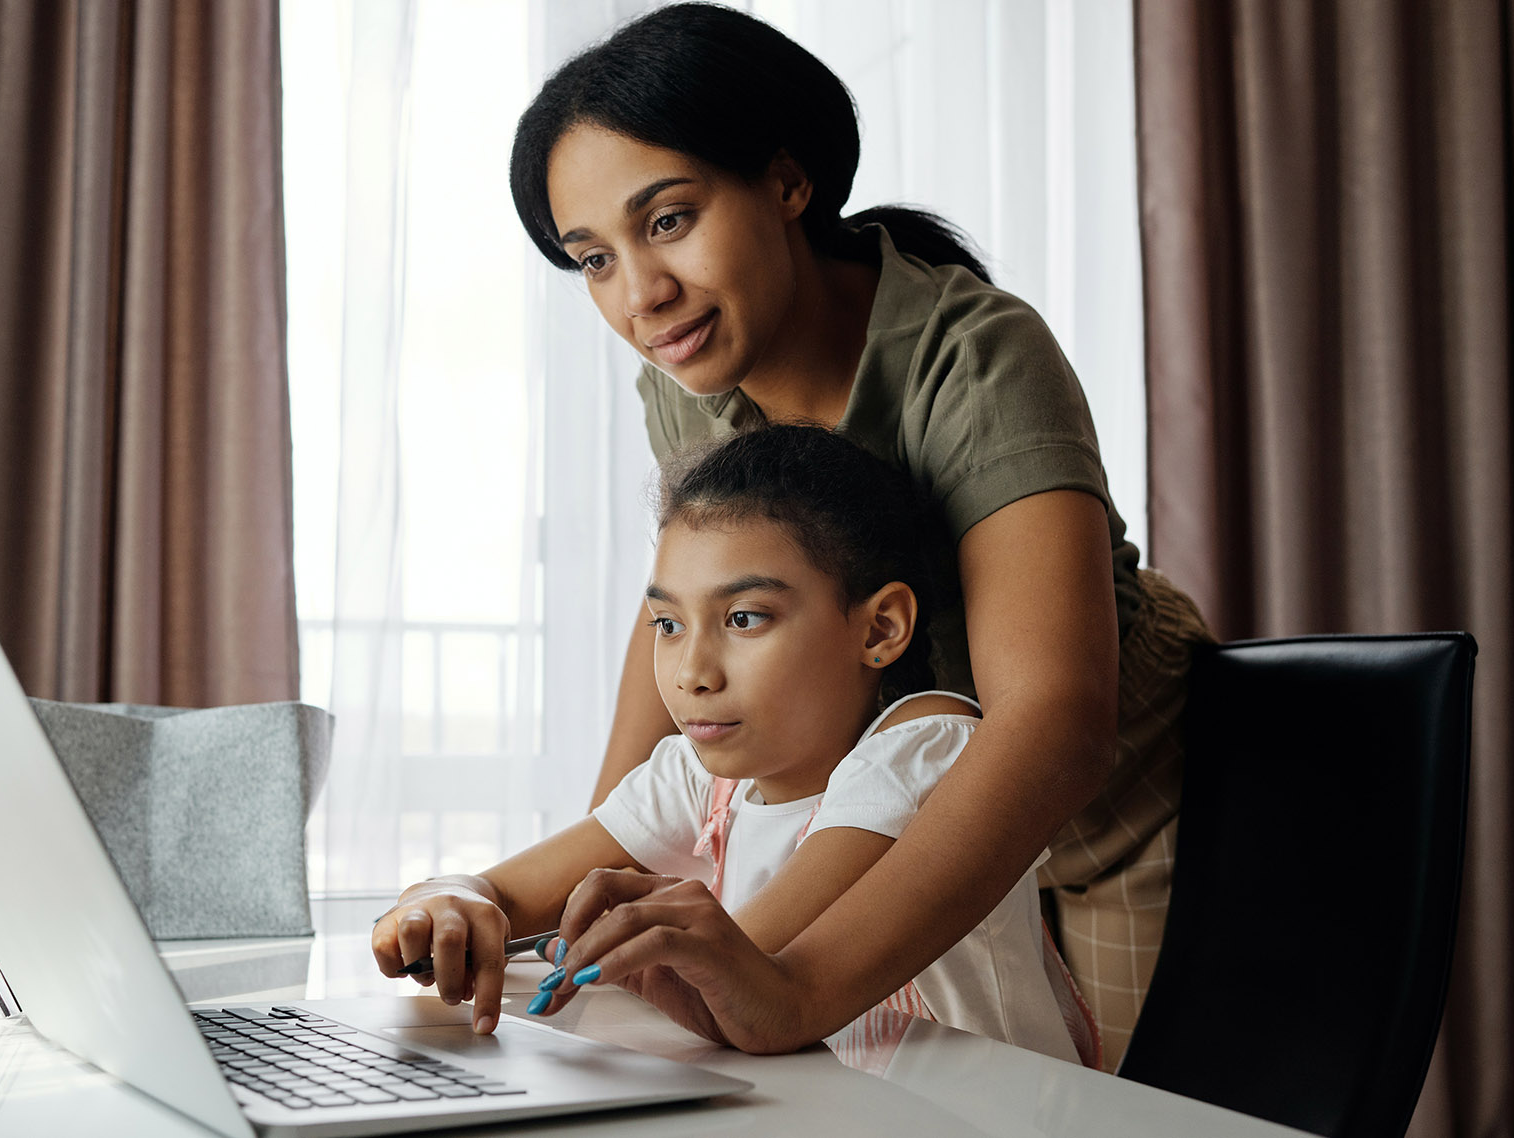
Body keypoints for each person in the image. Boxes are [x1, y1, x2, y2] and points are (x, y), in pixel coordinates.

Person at [504, 3, 1213, 1066]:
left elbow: (1055, 719)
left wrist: (795, 990)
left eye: (666, 222)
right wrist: (588, 890)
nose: (641, 296)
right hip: (890, 796)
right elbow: (684, 607)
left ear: (787, 183)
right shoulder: (686, 378)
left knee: (1115, 1108)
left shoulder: (974, 354)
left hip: (1104, 797)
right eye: (593, 258)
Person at [373, 425, 1094, 1066]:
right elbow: (504, 891)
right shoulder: (703, 778)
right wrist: (447, 901)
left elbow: (745, 970)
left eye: (745, 618)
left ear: (879, 629)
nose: (692, 673)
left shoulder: (927, 748)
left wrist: (611, 943)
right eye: (668, 624)